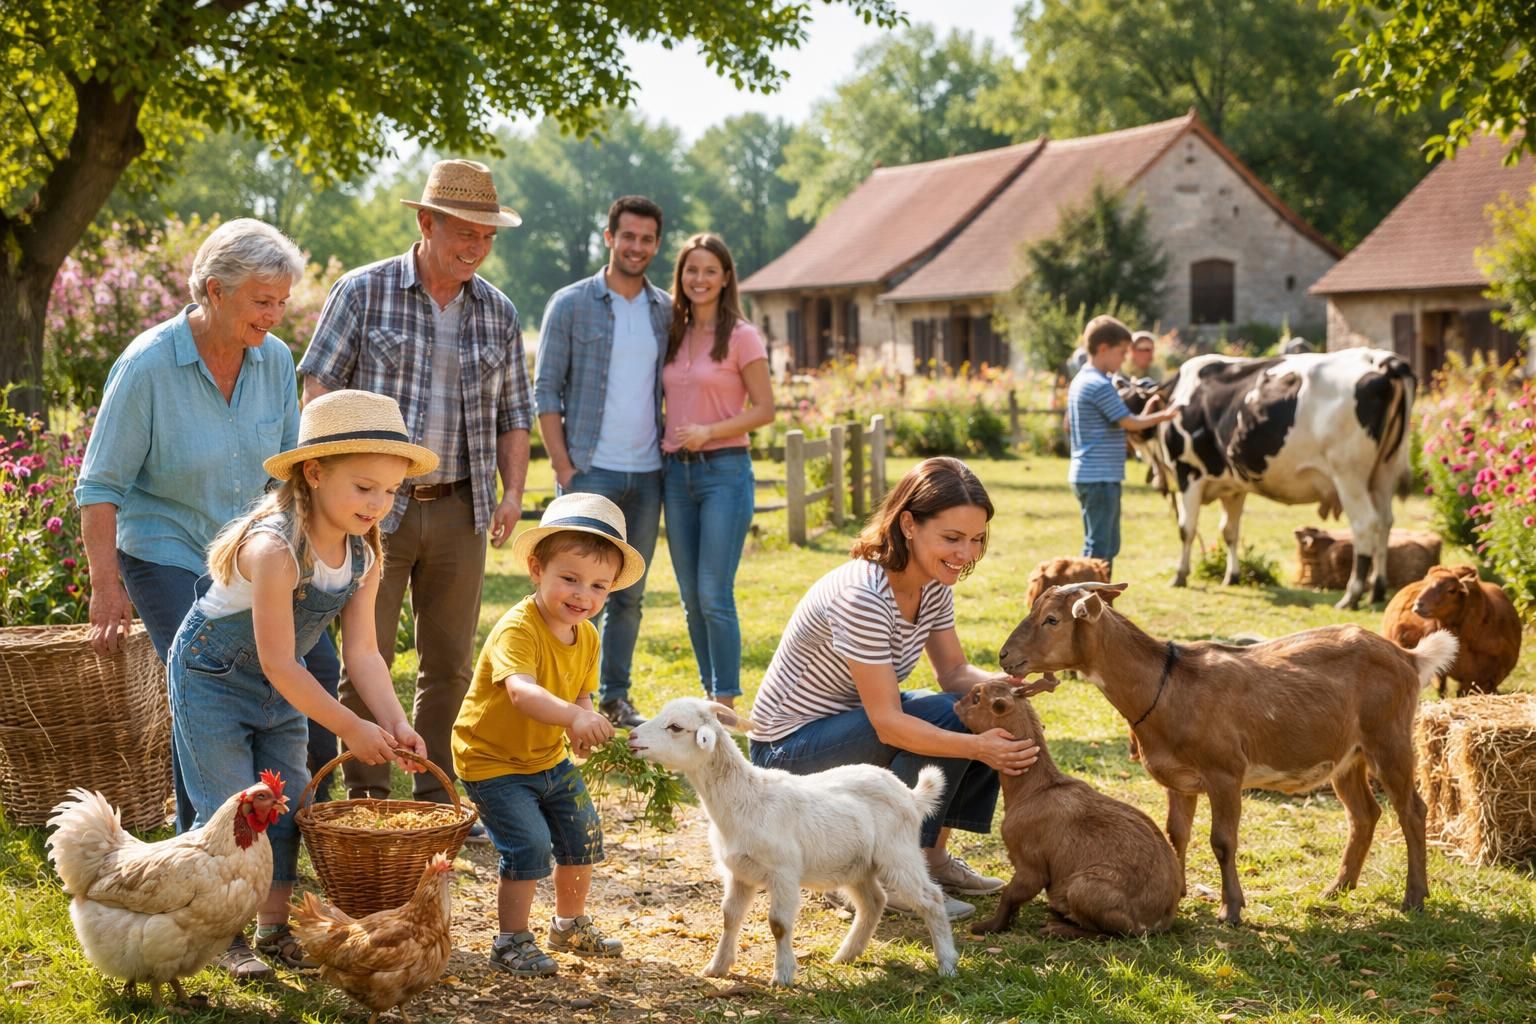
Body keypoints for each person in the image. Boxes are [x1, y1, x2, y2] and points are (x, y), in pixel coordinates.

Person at [75, 217, 346, 821]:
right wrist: (105, 586)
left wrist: (309, 558)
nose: (274, 315)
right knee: (203, 676)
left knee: (319, 664)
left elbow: (288, 474)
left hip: (255, 552)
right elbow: (99, 486)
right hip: (167, 550)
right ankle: (202, 834)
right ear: (215, 291)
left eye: (282, 302)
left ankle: (305, 822)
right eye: (262, 301)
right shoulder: (148, 366)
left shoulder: (274, 360)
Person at [297, 160, 533, 824]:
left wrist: (513, 492)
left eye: (486, 237)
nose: (476, 248)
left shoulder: (499, 312)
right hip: (373, 510)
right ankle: (368, 798)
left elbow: (516, 412)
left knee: (450, 663)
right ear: (426, 222)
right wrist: (327, 486)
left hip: (460, 505)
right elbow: (317, 387)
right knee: (365, 653)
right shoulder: (362, 292)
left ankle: (434, 798)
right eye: (464, 233)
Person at [167, 390, 432, 978]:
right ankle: (222, 932)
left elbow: (363, 653)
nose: (379, 504)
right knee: (230, 809)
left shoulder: (364, 554)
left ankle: (273, 927)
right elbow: (280, 662)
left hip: (283, 685)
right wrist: (350, 727)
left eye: (391, 491)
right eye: (364, 487)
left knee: (285, 805)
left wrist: (394, 722)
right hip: (213, 678)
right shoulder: (275, 548)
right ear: (314, 473)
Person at [747, 457, 1044, 921]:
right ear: (908, 524)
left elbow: (954, 672)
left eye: (976, 539)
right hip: (785, 751)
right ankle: (890, 875)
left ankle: (932, 861)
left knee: (976, 710)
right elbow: (888, 723)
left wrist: (1009, 687)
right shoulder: (864, 594)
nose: (966, 553)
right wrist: (979, 746)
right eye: (952, 538)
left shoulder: (933, 584)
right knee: (956, 719)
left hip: (846, 728)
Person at [452, 492, 646, 976]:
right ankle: (510, 940)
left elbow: (581, 693)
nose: (583, 596)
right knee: (529, 845)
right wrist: (574, 718)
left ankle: (568, 923)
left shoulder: (589, 635)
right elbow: (522, 692)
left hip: (545, 755)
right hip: (491, 759)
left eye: (598, 586)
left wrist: (582, 719)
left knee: (583, 833)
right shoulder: (518, 629)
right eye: (570, 579)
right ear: (537, 569)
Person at [534, 196, 671, 729]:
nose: (637, 247)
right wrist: (564, 467)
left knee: (627, 594)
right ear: (610, 237)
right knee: (566, 587)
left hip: (649, 473)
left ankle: (613, 696)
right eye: (628, 236)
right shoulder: (570, 304)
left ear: (656, 245)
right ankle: (555, 695)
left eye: (647, 239)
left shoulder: (665, 311)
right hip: (589, 470)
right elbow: (545, 390)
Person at [661, 234, 774, 710]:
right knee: (691, 597)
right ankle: (709, 696)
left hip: (724, 473)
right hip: (675, 476)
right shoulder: (673, 331)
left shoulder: (742, 336)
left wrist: (709, 431)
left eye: (710, 270)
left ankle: (725, 705)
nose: (700, 279)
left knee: (713, 593)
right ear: (680, 276)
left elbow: (766, 409)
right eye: (691, 270)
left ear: (726, 277)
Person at [1067, 316, 1180, 574]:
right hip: (1100, 477)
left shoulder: (1083, 379)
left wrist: (1147, 412)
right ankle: (1092, 596)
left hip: (1089, 474)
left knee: (1101, 544)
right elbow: (1129, 422)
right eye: (1121, 352)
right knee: (1101, 548)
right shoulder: (1099, 384)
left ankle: (1093, 594)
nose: (1124, 359)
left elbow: (1123, 421)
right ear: (1103, 348)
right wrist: (1165, 415)